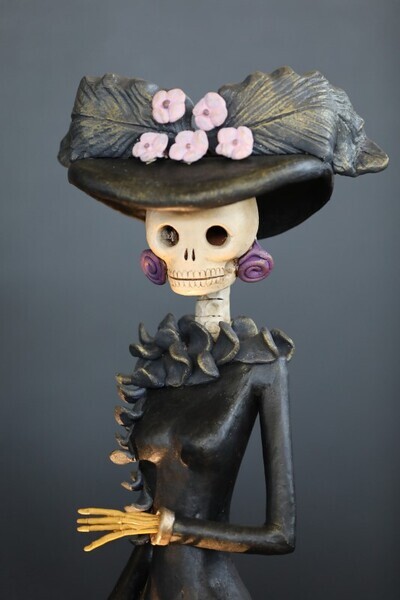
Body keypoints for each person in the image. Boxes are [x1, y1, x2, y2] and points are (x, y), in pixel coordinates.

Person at [59, 67, 387, 599]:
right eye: (169, 233)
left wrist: (170, 527)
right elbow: (149, 527)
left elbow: (280, 534)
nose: (188, 254)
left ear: (248, 240)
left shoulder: (261, 367)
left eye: (215, 233)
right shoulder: (162, 365)